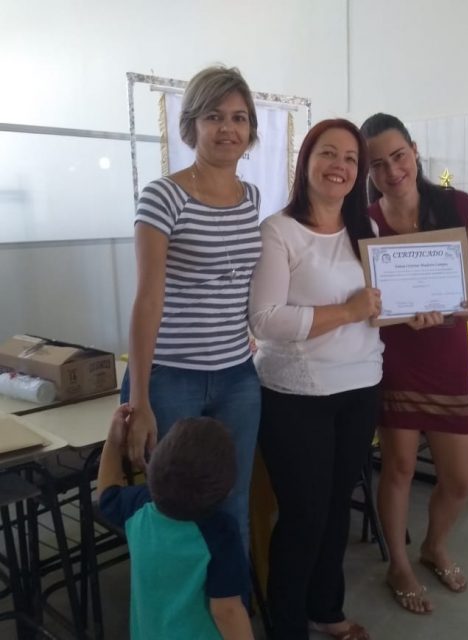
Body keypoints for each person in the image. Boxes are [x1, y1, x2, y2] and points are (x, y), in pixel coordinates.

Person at [360, 113, 468, 614]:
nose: (392, 170)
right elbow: (359, 297)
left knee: (459, 479)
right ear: (368, 171)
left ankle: (433, 545)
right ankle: (399, 563)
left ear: (415, 151)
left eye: (398, 156)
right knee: (398, 468)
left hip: (446, 357)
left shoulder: (457, 206)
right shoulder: (364, 221)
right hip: (394, 358)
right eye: (378, 164)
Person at [249, 119, 383, 640]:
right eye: (328, 153)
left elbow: (379, 306)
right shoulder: (279, 231)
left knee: (335, 509)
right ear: (305, 160)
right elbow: (265, 320)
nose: (339, 166)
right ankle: (287, 627)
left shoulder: (366, 232)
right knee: (304, 516)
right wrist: (347, 311)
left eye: (351, 158)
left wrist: (414, 310)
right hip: (297, 395)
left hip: (361, 386)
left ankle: (326, 609)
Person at [121, 65, 262, 553]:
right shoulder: (163, 195)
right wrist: (140, 399)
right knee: (174, 504)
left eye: (239, 118)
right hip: (171, 376)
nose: (228, 128)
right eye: (214, 116)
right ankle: (177, 600)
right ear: (191, 125)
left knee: (233, 500)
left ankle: (231, 598)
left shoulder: (251, 198)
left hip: (237, 375)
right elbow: (147, 298)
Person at [97, 405, 254, 640]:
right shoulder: (220, 532)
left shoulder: (139, 506)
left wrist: (112, 442)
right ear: (227, 488)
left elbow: (106, 493)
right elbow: (227, 611)